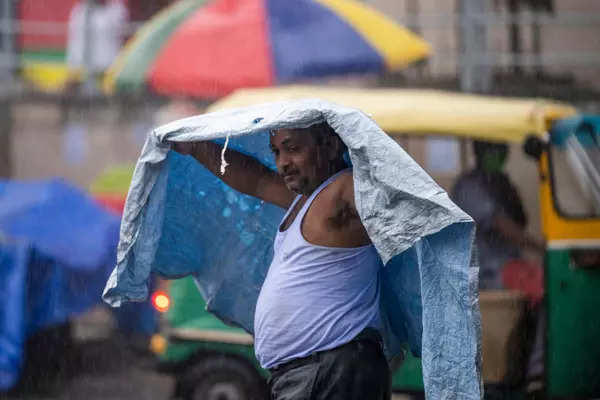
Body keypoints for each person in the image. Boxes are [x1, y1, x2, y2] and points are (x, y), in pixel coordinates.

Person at [173, 122, 390, 400]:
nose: (283, 163)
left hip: (331, 369)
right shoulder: (307, 199)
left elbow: (390, 203)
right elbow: (255, 178)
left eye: (293, 149)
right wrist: (196, 147)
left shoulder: (345, 189)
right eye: (276, 152)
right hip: (311, 372)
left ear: (331, 146)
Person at [451, 140, 544, 290]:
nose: (501, 154)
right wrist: (542, 247)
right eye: (494, 150)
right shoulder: (470, 186)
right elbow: (503, 225)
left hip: (509, 262)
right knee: (543, 284)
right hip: (489, 270)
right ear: (480, 153)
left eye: (502, 150)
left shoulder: (499, 181)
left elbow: (521, 219)